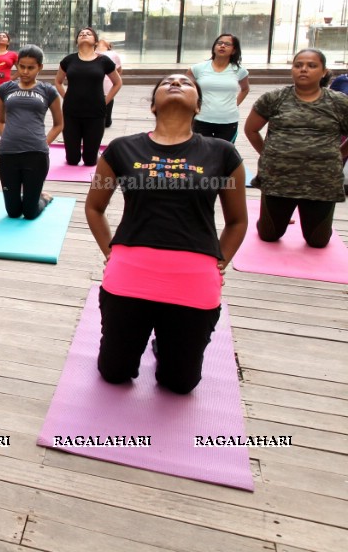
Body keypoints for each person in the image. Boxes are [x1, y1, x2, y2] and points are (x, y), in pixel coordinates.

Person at [85, 74, 248, 395]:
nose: (176, 83)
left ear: (198, 105)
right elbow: (95, 207)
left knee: (180, 384)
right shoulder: (121, 149)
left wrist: (221, 263)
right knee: (114, 373)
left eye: (186, 83)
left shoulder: (223, 154)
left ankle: (166, 343)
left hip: (194, 282)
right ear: (152, 106)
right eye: (166, 83)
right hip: (129, 278)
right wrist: (111, 252)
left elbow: (238, 221)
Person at [243, 49, 348, 249]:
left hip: (322, 183)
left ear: (324, 71)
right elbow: (251, 130)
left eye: (311, 65)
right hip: (278, 179)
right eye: (298, 65)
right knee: (269, 235)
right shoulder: (274, 98)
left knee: (317, 242)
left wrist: (339, 154)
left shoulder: (339, 102)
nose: (303, 69)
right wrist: (269, 154)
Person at [0, 45, 64, 219]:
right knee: (13, 212)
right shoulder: (4, 89)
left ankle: (43, 198)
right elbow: (1, 120)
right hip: (8, 154)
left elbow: (59, 124)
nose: (25, 71)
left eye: (31, 67)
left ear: (39, 67)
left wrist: (44, 142)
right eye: (22, 66)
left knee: (30, 213)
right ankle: (27, 198)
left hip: (36, 154)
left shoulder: (48, 91)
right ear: (17, 65)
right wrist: (8, 137)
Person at [55, 27, 121, 166]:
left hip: (96, 112)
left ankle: (92, 153)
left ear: (95, 41)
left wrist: (105, 101)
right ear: (77, 41)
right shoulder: (68, 60)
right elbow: (58, 81)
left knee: (90, 161)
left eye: (88, 34)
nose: (84, 35)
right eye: (81, 34)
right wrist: (66, 96)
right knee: (72, 160)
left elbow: (117, 82)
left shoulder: (104, 61)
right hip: (71, 112)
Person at [187, 33, 250, 143]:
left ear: (234, 50)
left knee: (223, 155)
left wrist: (235, 104)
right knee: (201, 153)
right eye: (219, 43)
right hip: (201, 119)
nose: (222, 46)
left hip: (228, 121)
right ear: (214, 47)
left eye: (227, 44)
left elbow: (245, 89)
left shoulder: (240, 71)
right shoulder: (197, 68)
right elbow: (185, 89)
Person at [96, 38, 122, 129]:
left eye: (105, 41)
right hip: (95, 83)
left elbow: (119, 69)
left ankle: (107, 120)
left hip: (107, 84)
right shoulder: (92, 53)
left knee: (108, 100)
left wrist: (113, 78)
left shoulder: (113, 54)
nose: (102, 41)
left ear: (108, 46)